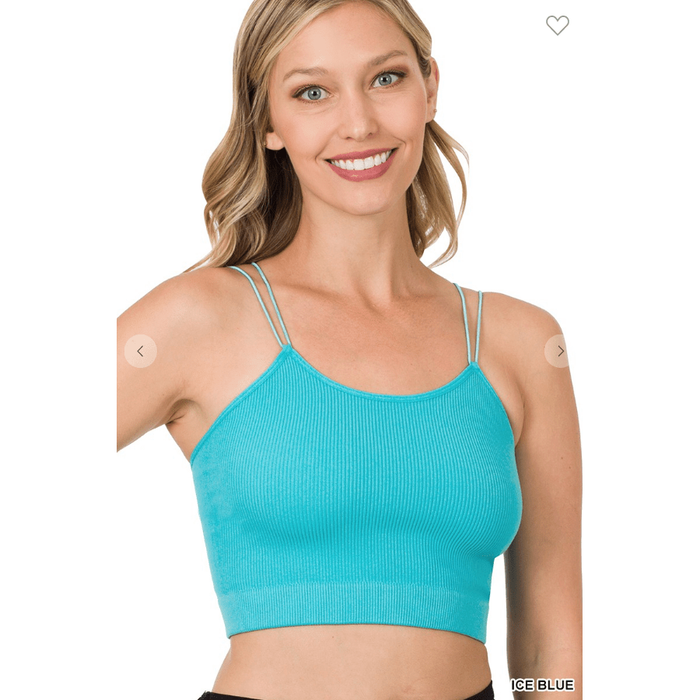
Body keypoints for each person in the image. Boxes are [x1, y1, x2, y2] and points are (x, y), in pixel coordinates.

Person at [116, 0, 582, 698]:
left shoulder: (521, 343)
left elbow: (550, 637)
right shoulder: (200, 320)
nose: (359, 123)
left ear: (430, 86)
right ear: (268, 122)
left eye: (386, 79)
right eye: (312, 92)